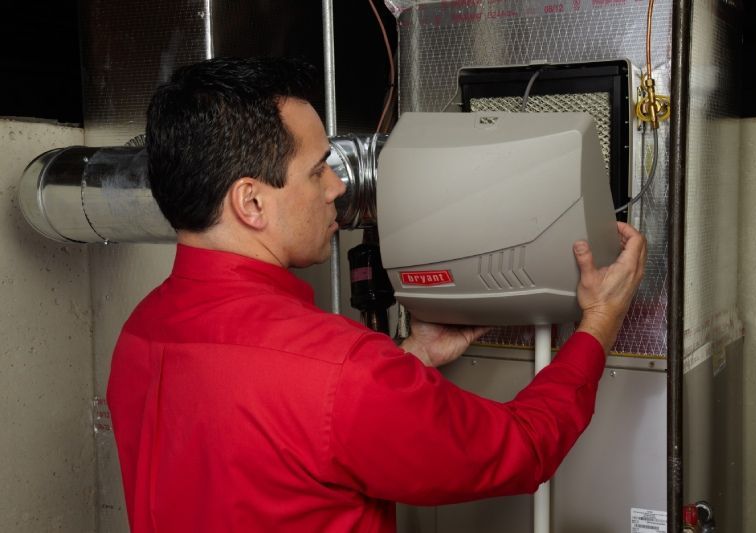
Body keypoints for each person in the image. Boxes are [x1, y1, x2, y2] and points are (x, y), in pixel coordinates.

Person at [107, 57, 646, 533]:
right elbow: (522, 450)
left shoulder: (140, 333)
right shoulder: (338, 371)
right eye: (318, 169)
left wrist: (408, 357)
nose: (338, 187)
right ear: (251, 203)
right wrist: (599, 321)